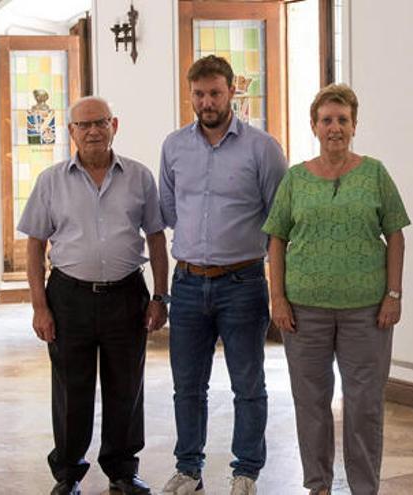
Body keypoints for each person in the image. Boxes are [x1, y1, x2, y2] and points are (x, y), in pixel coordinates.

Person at [263, 84, 410, 495]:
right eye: (326, 120)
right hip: (303, 312)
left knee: (364, 405)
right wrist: (277, 298)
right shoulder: (295, 179)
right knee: (310, 403)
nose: (335, 128)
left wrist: (393, 294)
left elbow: (396, 235)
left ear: (354, 126)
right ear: (314, 125)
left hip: (367, 312)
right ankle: (318, 485)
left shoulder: (375, 174)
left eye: (342, 120)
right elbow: (276, 238)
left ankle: (365, 487)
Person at [19, 96, 169, 495]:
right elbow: (35, 244)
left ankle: (122, 471)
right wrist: (39, 305)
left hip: (126, 296)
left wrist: (160, 296)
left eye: (99, 122)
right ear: (71, 132)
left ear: (114, 125)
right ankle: (68, 475)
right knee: (72, 390)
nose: (92, 131)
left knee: (126, 387)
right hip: (69, 298)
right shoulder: (51, 181)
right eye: (83, 125)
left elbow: (155, 237)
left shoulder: (139, 177)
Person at [159, 55, 287, 495]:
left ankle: (246, 471)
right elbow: (172, 210)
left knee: (248, 384)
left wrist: (277, 290)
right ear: (190, 94)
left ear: (232, 91)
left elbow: (277, 221)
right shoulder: (174, 146)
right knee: (186, 386)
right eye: (198, 93)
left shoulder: (263, 148)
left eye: (215, 92)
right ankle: (189, 469)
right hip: (189, 282)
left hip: (242, 282)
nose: (207, 101)